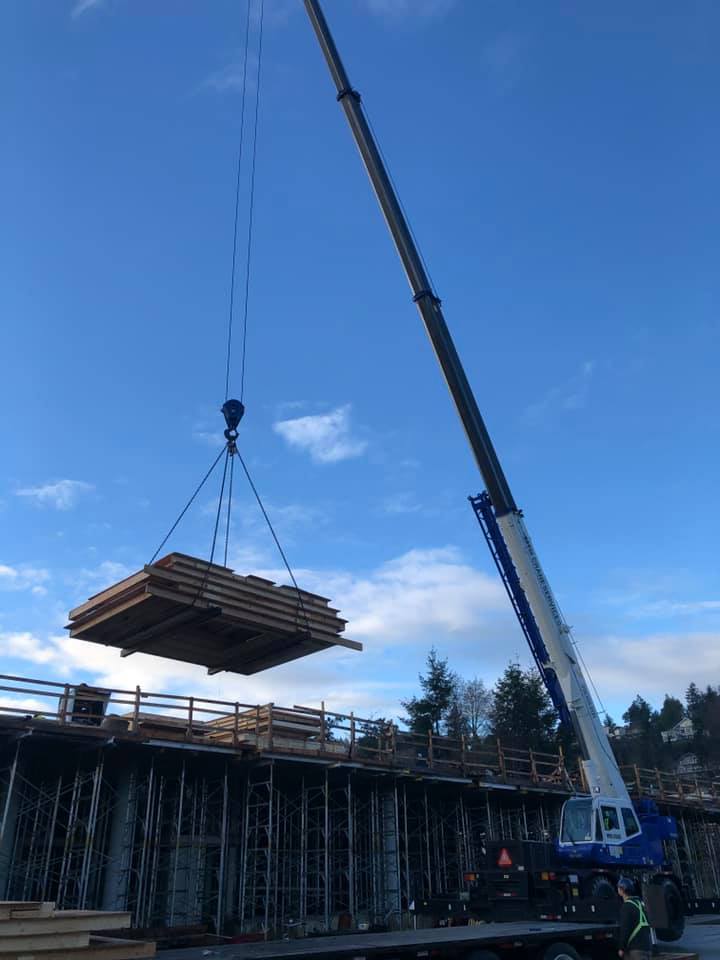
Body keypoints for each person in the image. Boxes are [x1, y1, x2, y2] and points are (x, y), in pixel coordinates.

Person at [617, 876, 652, 960]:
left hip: (635, 950)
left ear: (622, 890)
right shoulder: (641, 904)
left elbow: (625, 929)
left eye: (618, 888)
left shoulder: (627, 906)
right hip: (647, 947)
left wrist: (621, 948)